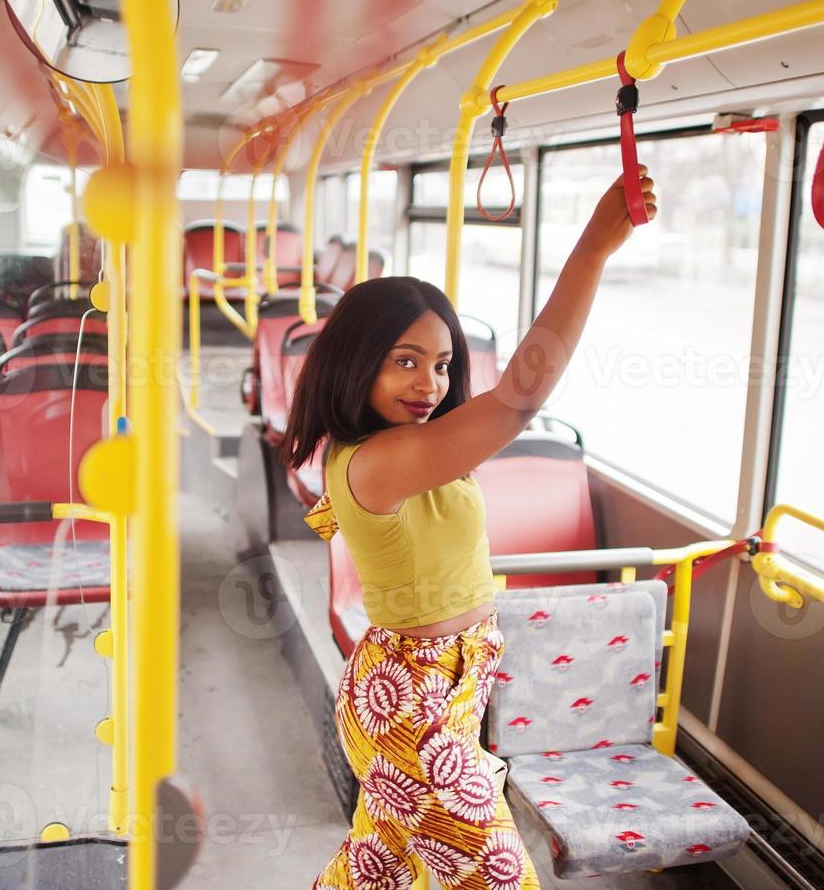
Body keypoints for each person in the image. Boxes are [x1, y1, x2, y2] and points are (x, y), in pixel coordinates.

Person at [279, 168, 656, 889]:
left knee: (378, 869)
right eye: (404, 361)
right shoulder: (375, 462)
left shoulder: (414, 450)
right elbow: (521, 394)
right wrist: (592, 249)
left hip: (447, 688)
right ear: (356, 363)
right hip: (408, 702)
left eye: (443, 365)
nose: (428, 384)